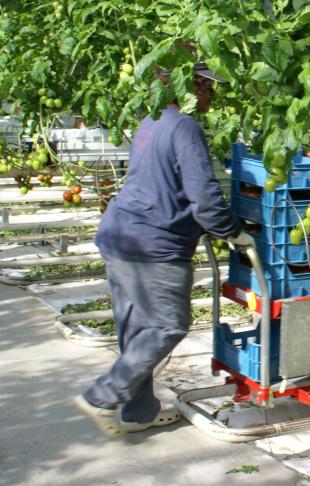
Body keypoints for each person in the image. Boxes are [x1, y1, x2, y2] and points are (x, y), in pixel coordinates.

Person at [73, 62, 254, 438]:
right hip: (154, 244)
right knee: (167, 325)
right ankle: (101, 397)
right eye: (207, 86)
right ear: (189, 85)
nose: (211, 94)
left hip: (122, 235)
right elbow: (204, 200)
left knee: (136, 330)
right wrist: (235, 233)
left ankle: (137, 413)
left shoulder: (153, 119)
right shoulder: (185, 127)